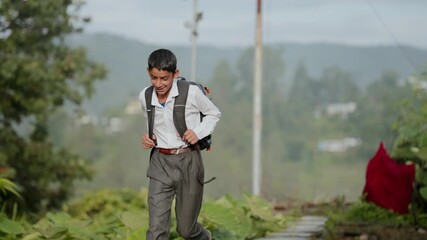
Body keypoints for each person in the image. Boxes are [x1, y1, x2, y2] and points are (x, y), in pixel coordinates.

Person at [139, 48, 221, 240]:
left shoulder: (190, 93)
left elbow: (214, 113)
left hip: (188, 161)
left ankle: (205, 238)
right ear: (148, 73)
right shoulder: (145, 96)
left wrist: (198, 132)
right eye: (154, 78)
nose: (159, 84)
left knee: (186, 230)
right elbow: (152, 124)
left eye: (164, 79)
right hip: (160, 162)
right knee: (155, 229)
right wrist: (149, 138)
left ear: (175, 74)